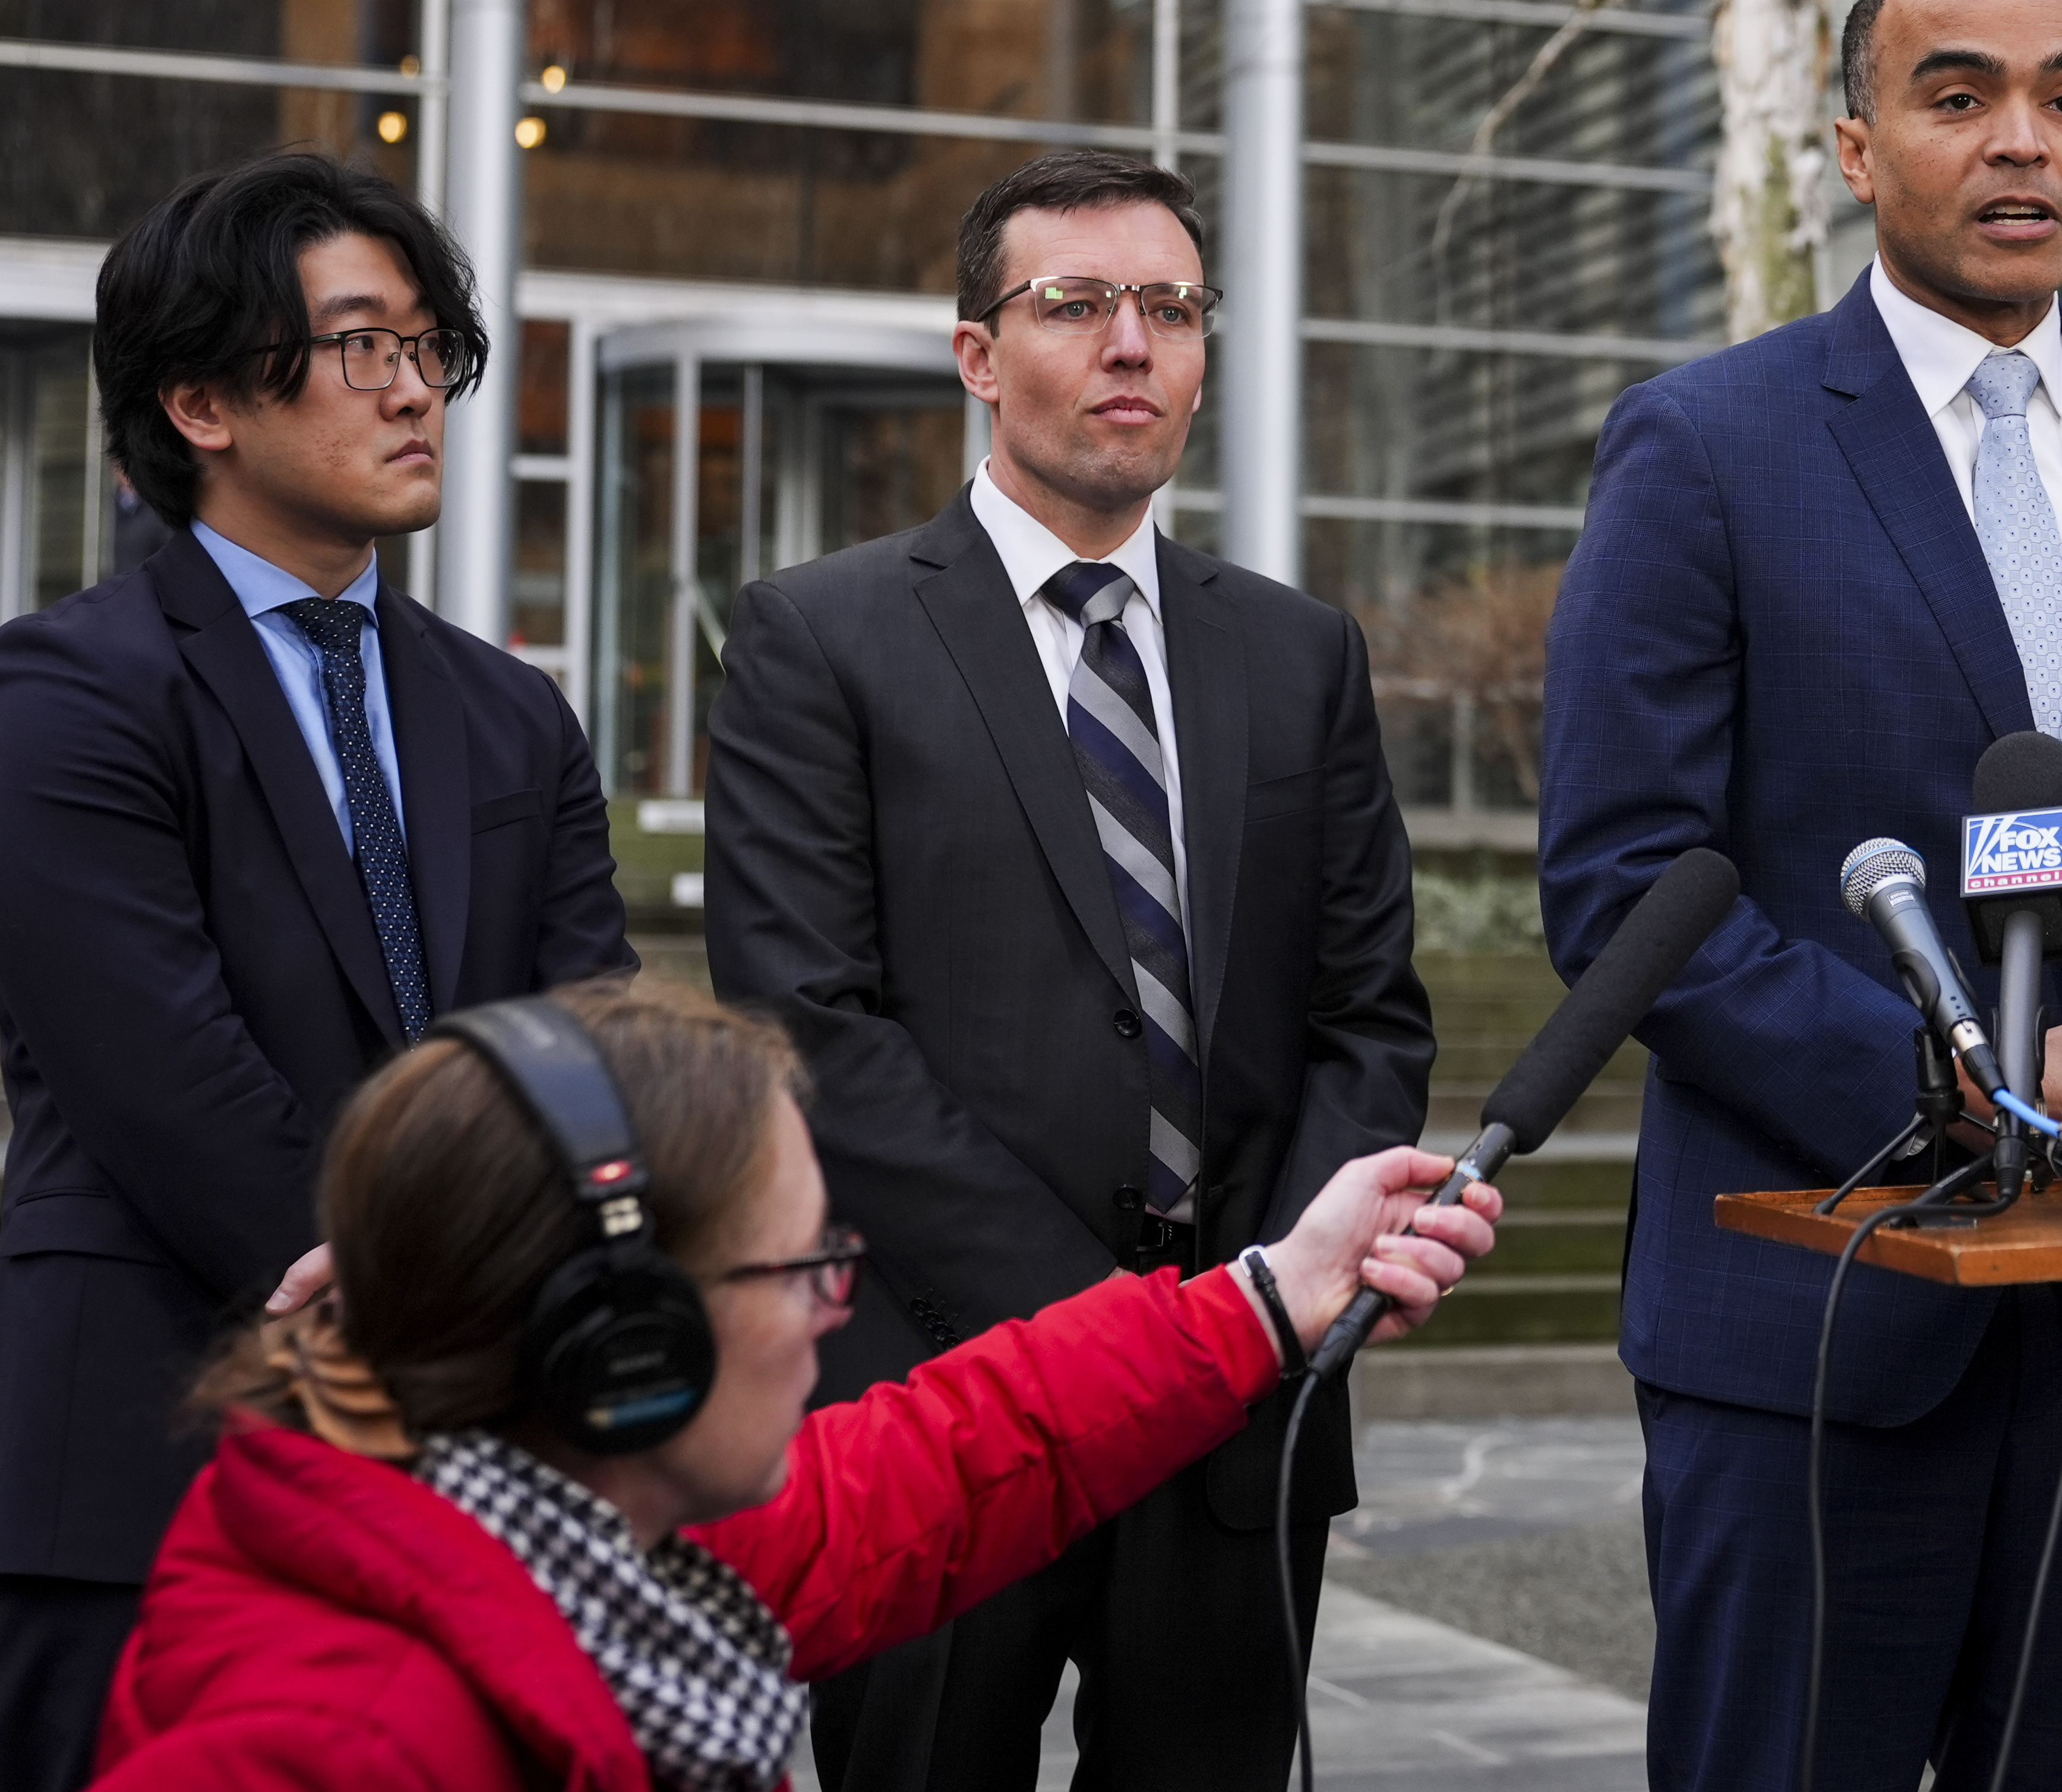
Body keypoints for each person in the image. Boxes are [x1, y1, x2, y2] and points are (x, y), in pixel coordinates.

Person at [1541, 0, 2062, 1790]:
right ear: (1850, 142)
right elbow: (1623, 878)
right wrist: (1951, 1078)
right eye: (1957, 95)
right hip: (1818, 1317)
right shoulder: (1707, 445)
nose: (2021, 143)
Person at [702, 149, 1433, 1792]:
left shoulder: (1296, 650)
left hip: (1240, 1406)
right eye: (1077, 304)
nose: (1132, 346)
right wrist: (1111, 1337)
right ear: (976, 354)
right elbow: (807, 1025)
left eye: (1170, 309)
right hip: (942, 1401)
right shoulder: (820, 636)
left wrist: (1268, 1310)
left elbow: (1366, 1010)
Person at [87, 978, 1491, 1786]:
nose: (838, 1307)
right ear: (627, 1335)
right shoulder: (323, 1747)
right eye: (800, 1264)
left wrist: (1267, 1296)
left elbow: (943, 1459)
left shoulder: (599, 1527)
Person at [0, 152, 630, 1791]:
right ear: (201, 399)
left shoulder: (512, 712)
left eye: (429, 346)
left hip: (471, 1467)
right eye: (363, 346)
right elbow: (168, 1083)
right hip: (145, 1450)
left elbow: (585, 1047)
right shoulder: (66, 693)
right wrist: (444, 1318)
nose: (417, 387)